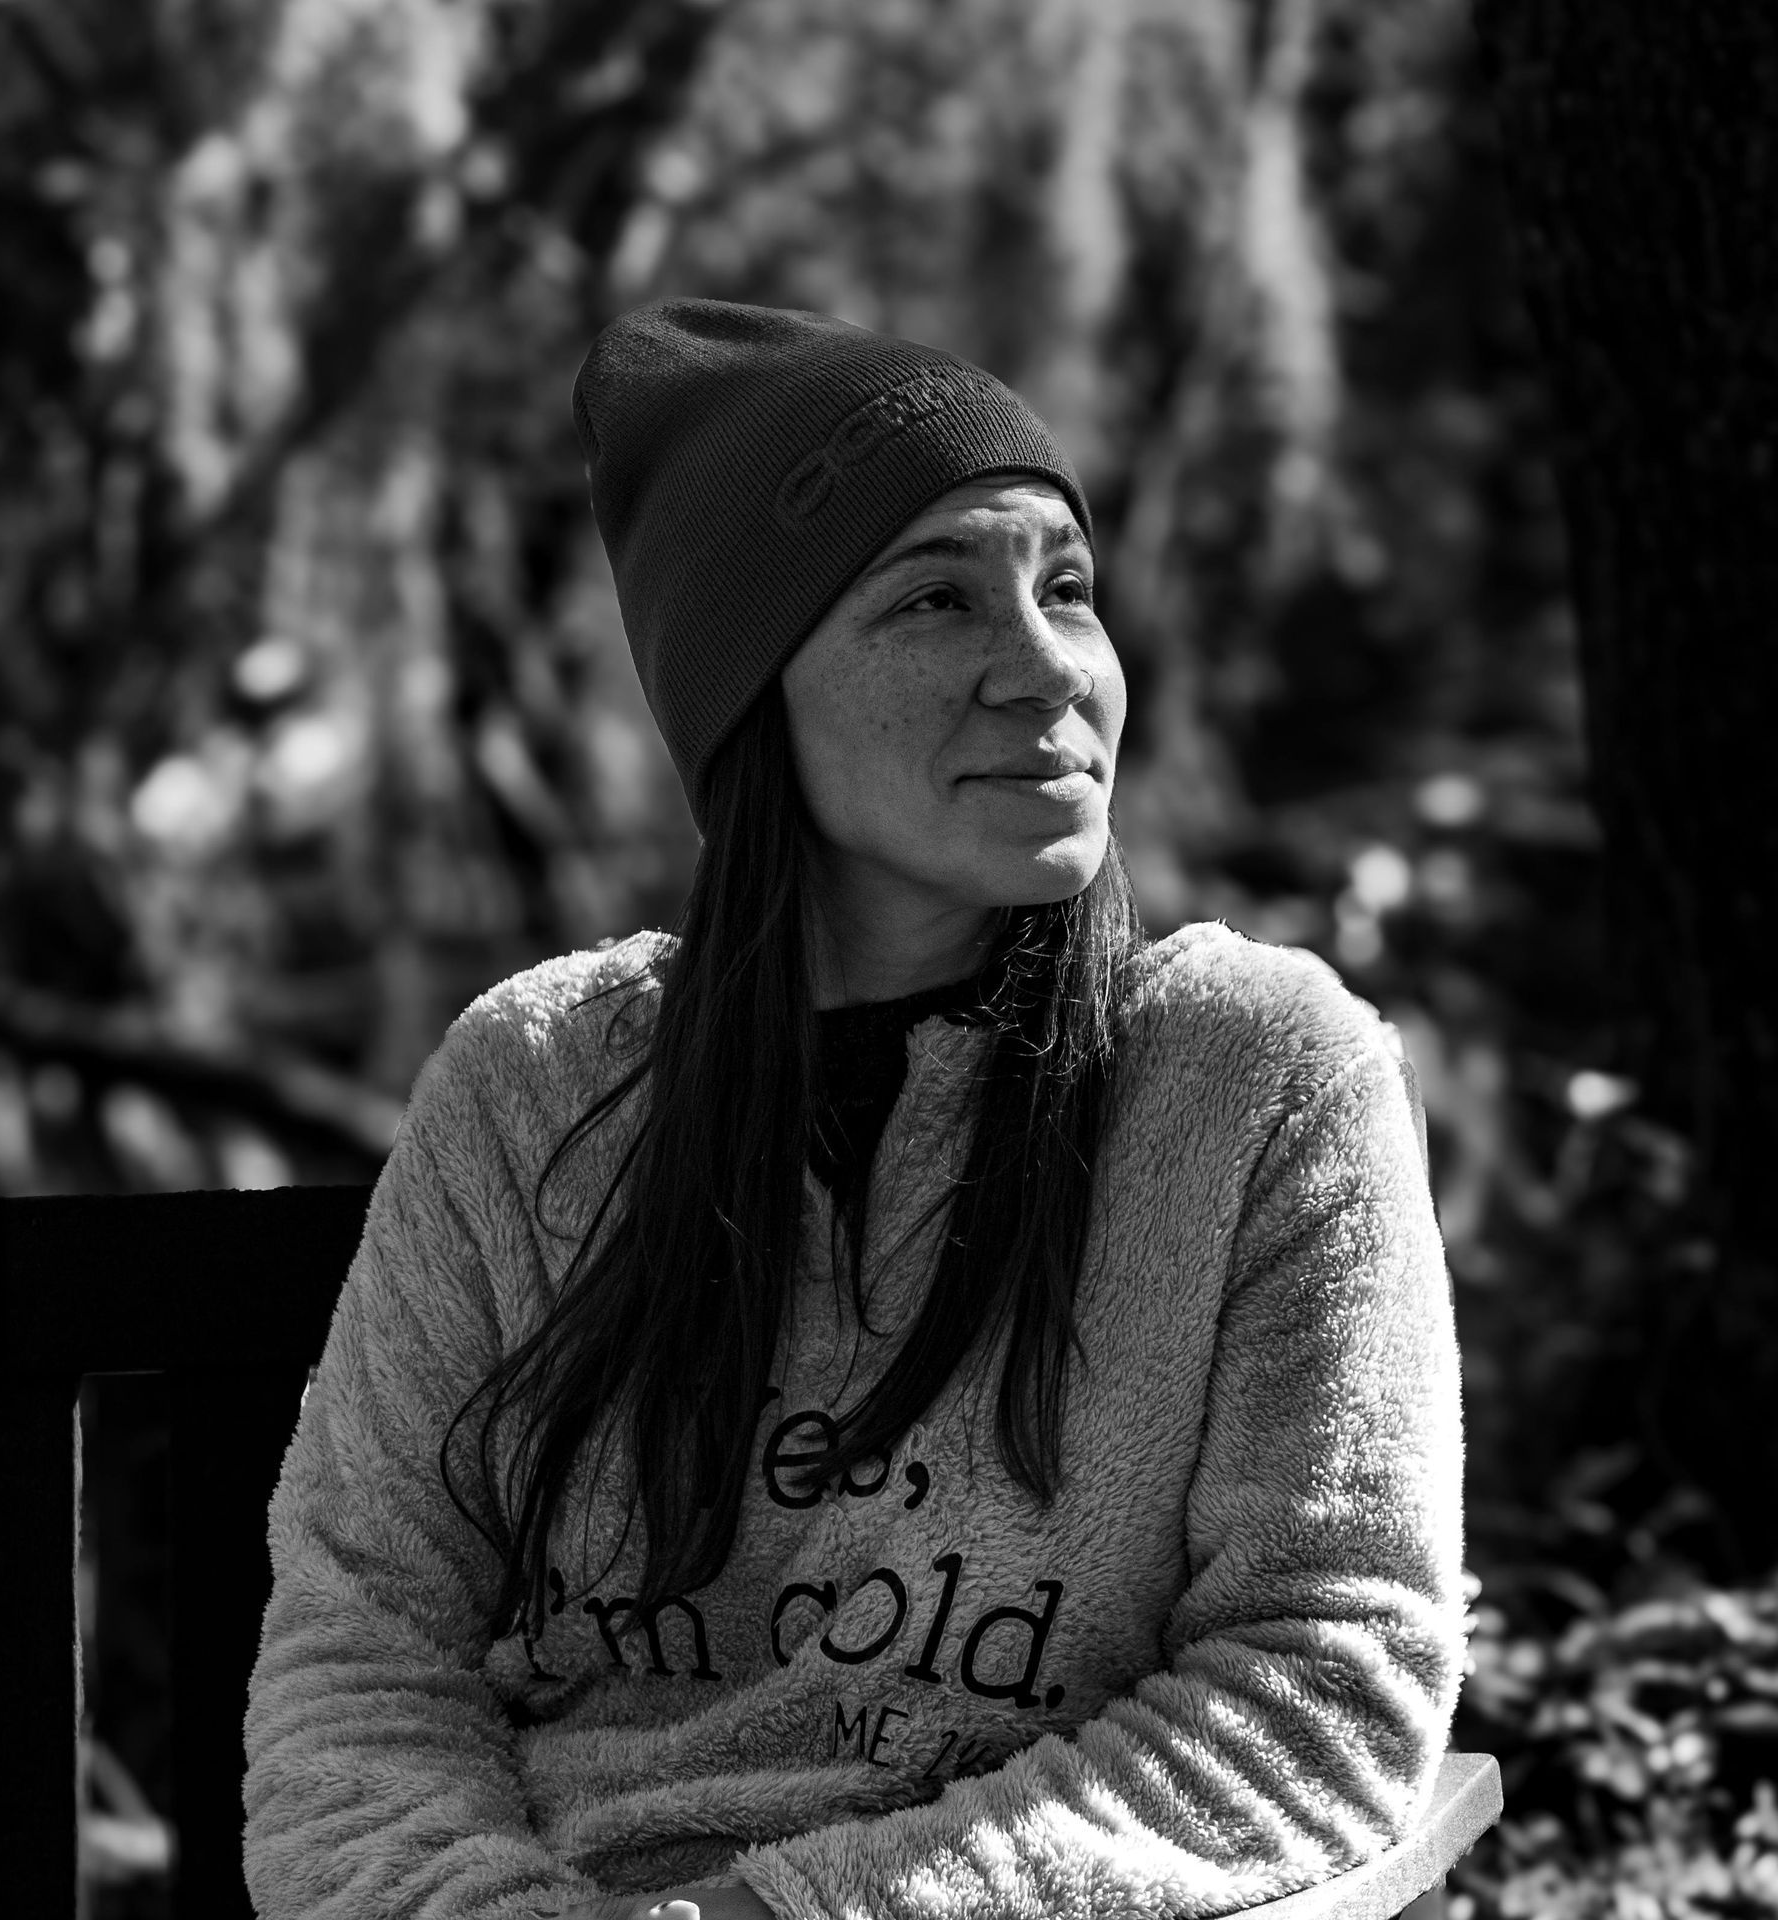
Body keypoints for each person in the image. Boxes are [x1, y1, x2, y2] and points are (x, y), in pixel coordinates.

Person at [243, 299, 1464, 1920]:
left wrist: (788, 1916)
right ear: (752, 694)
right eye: (937, 599)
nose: (1048, 668)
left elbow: (1323, 1681)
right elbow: (362, 1660)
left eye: (1067, 588)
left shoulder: (1259, 1081)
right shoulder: (534, 1087)